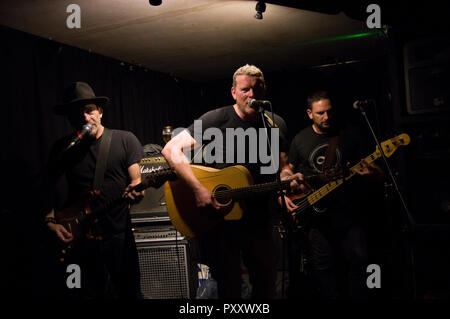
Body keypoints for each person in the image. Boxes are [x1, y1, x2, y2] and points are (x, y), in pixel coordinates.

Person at [161, 64, 306, 299]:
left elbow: (282, 168)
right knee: (230, 287)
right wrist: (197, 188)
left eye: (256, 90)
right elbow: (171, 149)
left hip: (261, 219)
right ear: (233, 92)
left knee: (266, 284)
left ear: (264, 90)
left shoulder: (275, 122)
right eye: (245, 90)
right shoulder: (217, 118)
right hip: (224, 220)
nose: (251, 95)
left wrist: (289, 179)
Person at [42, 82, 145, 299]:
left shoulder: (124, 139)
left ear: (100, 112)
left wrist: (137, 191)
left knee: (129, 292)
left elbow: (137, 183)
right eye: (77, 114)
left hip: (117, 236)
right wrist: (50, 221)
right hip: (79, 239)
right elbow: (47, 189)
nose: (85, 118)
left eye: (89, 110)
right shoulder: (63, 148)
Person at [281, 90, 383, 299]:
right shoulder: (300, 139)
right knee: (322, 267)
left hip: (349, 214)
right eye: (320, 113)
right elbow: (288, 169)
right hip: (316, 217)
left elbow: (375, 170)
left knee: (359, 261)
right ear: (310, 113)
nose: (326, 117)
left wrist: (373, 175)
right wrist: (288, 180)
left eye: (329, 112)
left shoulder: (350, 134)